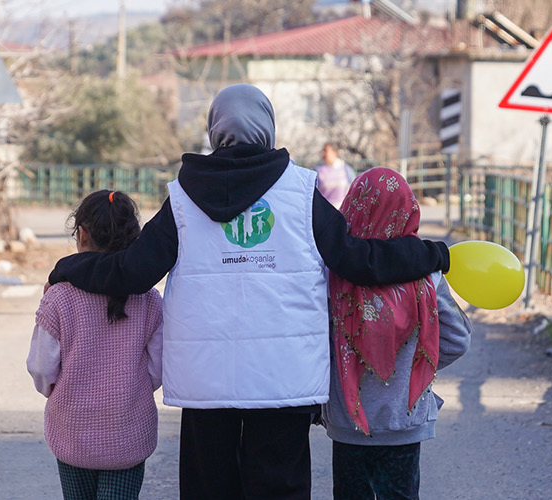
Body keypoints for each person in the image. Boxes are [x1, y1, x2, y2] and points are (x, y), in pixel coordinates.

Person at [47, 84, 452, 500]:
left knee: (209, 488)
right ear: (267, 127)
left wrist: (70, 267)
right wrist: (433, 254)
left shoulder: (183, 197)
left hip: (206, 377)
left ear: (214, 129)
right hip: (283, 375)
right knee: (279, 487)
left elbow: (132, 272)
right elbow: (359, 260)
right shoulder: (300, 191)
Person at [323, 169, 473, 500]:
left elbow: (319, 342)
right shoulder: (427, 275)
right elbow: (457, 339)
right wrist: (414, 365)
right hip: (403, 418)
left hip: (348, 421)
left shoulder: (332, 275)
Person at [27, 190, 164, 500]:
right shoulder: (148, 299)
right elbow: (158, 367)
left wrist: (60, 392)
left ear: (82, 234)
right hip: (128, 433)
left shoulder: (59, 296)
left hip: (72, 432)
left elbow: (42, 367)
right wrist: (133, 391)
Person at [315, 143, 359, 209]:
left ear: (335, 153)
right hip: (324, 209)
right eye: (323, 151)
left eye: (326, 151)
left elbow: (354, 189)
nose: (323, 154)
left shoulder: (346, 169)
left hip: (342, 209)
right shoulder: (318, 170)